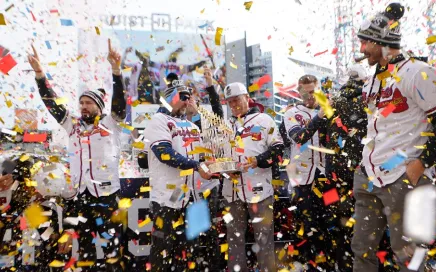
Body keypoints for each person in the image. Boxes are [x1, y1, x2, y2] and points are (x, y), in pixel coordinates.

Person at [352, 3, 436, 271]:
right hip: (369, 176)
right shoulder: (375, 78)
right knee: (361, 250)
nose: (361, 50)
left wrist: (428, 162)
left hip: (403, 176)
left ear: (381, 41)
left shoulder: (417, 71)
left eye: (365, 42)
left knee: (409, 257)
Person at [28, 39, 127, 271]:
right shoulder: (71, 125)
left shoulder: (113, 123)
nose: (83, 106)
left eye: (88, 103)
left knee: (111, 249)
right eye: (81, 102)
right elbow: (51, 103)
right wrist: (40, 74)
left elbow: (120, 103)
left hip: (106, 195)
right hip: (80, 196)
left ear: (100, 107)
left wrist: (116, 71)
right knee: (83, 248)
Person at [143, 80, 213, 271]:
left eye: (189, 97)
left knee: (191, 253)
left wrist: (215, 167)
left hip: (192, 198)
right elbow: (165, 154)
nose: (187, 101)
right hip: (167, 199)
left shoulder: (192, 126)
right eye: (183, 97)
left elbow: (204, 157)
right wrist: (197, 166)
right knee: (162, 252)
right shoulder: (158, 120)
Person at [222, 82, 284, 272]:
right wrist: (224, 169)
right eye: (230, 102)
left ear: (247, 98)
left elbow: (278, 150)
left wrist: (258, 160)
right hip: (231, 191)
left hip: (260, 189)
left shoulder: (264, 119)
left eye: (237, 100)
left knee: (264, 240)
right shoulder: (225, 125)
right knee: (234, 240)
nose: (234, 105)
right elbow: (218, 157)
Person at [283, 74, 330, 270]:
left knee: (328, 221)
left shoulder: (328, 110)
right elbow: (298, 137)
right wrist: (320, 116)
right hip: (300, 177)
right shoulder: (291, 112)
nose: (310, 96)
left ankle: (327, 263)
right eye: (306, 92)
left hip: (325, 175)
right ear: (299, 92)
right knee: (305, 225)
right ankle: (307, 265)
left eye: (314, 91)